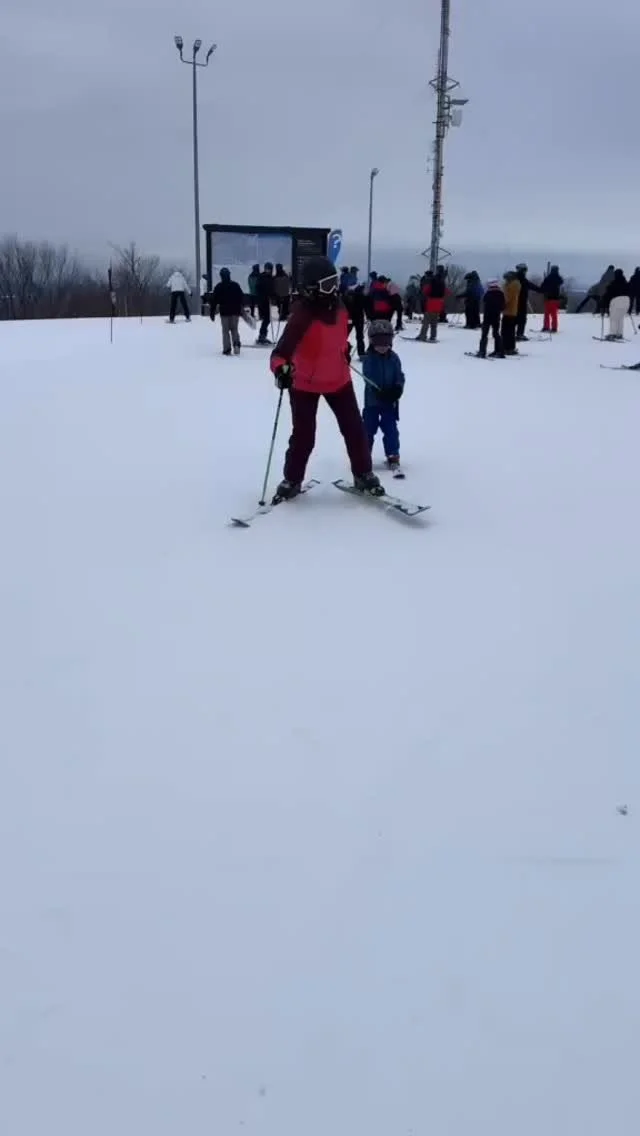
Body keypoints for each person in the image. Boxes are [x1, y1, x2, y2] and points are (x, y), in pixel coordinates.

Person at [269, 256, 384, 500]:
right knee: (304, 436)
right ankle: (292, 479)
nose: (333, 289)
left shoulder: (340, 307)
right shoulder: (302, 315)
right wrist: (281, 370)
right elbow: (279, 354)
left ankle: (363, 473)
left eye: (335, 282)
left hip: (338, 380)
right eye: (327, 285)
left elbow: (339, 339)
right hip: (304, 384)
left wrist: (344, 351)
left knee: (354, 429)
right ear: (311, 288)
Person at [361, 320, 405, 472]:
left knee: (391, 429)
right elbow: (368, 377)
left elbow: (399, 376)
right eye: (378, 342)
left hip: (390, 403)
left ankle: (393, 455)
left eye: (386, 341)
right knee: (368, 429)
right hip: (372, 402)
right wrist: (377, 391)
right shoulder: (369, 359)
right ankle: (363, 456)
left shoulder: (394, 358)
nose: (382, 346)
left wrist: (397, 389)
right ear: (371, 341)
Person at [208, 267, 245, 355]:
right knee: (234, 329)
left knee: (225, 331)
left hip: (224, 312)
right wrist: (241, 308)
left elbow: (214, 300)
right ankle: (236, 344)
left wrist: (212, 312)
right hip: (235, 311)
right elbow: (241, 297)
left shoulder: (219, 286)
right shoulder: (235, 285)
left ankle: (227, 349)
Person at [476, 279, 505, 357]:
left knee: (484, 334)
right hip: (496, 316)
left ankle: (482, 351)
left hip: (487, 317)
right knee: (496, 334)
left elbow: (484, 301)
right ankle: (499, 351)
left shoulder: (488, 294)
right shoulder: (501, 294)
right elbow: (503, 306)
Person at [416, 268, 446, 341]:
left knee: (426, 321)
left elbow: (425, 291)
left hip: (431, 302)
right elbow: (446, 292)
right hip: (439, 303)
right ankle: (433, 336)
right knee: (434, 321)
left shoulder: (431, 283)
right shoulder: (442, 283)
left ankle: (423, 336)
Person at [514, 263, 540, 341]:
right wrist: (541, 289)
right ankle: (519, 334)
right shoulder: (522, 279)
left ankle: (511, 333)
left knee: (514, 318)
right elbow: (531, 286)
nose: (526, 272)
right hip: (521, 301)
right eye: (525, 270)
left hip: (514, 301)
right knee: (522, 319)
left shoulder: (514, 278)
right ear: (522, 270)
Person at [603, 269, 630, 340]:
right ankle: (619, 334)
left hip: (617, 301)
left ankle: (612, 334)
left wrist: (603, 304)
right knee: (620, 318)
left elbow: (608, 294)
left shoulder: (613, 283)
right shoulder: (626, 283)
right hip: (626, 301)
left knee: (614, 318)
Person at [501, 271, 521, 354]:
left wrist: (501, 304)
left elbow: (507, 297)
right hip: (509, 311)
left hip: (510, 311)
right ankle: (508, 347)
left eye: (506, 278)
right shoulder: (512, 285)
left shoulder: (513, 285)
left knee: (508, 331)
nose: (505, 280)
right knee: (508, 330)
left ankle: (508, 348)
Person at [540, 265, 564, 333]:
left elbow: (542, 287)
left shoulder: (548, 278)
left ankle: (546, 327)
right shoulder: (558, 278)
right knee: (554, 315)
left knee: (547, 314)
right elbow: (561, 281)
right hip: (555, 299)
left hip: (548, 298)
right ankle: (554, 328)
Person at [256, 262, 275, 345]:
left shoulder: (269, 277)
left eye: (269, 269)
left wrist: (272, 295)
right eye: (267, 269)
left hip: (266, 300)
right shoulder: (263, 277)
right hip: (262, 300)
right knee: (266, 319)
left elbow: (271, 289)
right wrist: (266, 294)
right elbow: (259, 288)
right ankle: (262, 335)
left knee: (267, 319)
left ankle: (263, 335)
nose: (268, 270)